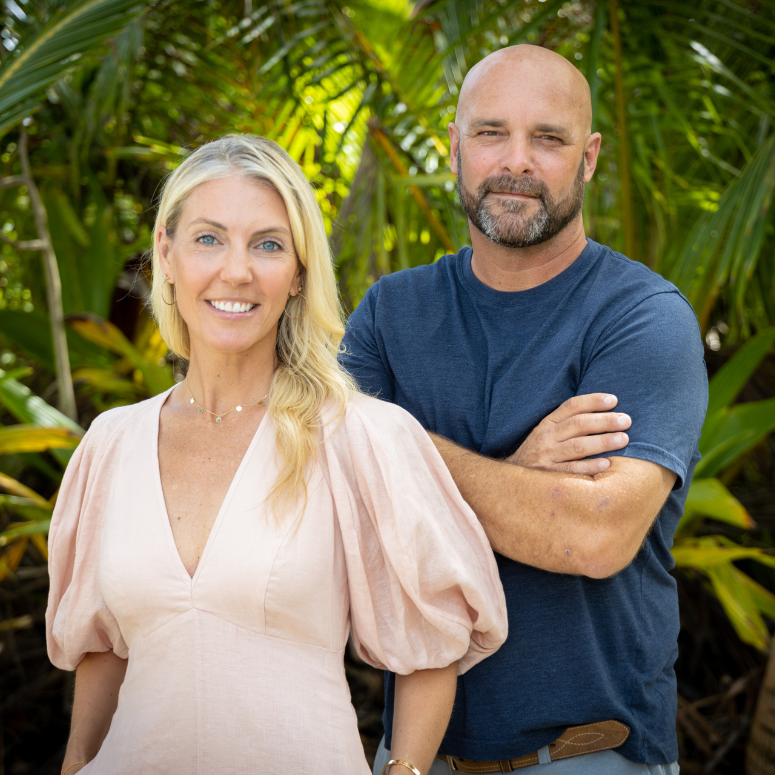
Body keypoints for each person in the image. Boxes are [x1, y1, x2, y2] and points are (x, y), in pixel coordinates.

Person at [45, 134, 508, 775]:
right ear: (166, 254)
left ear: (297, 276)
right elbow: (102, 654)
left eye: (267, 244)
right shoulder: (110, 445)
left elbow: (432, 648)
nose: (237, 270)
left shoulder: (359, 436)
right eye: (209, 238)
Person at [342, 45, 708, 775]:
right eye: (489, 134)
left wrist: (395, 448)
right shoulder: (391, 311)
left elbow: (592, 534)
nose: (516, 161)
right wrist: (518, 471)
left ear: (588, 155)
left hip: (590, 753)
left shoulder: (640, 317)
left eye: (547, 138)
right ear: (453, 146)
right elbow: (328, 501)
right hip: (412, 755)